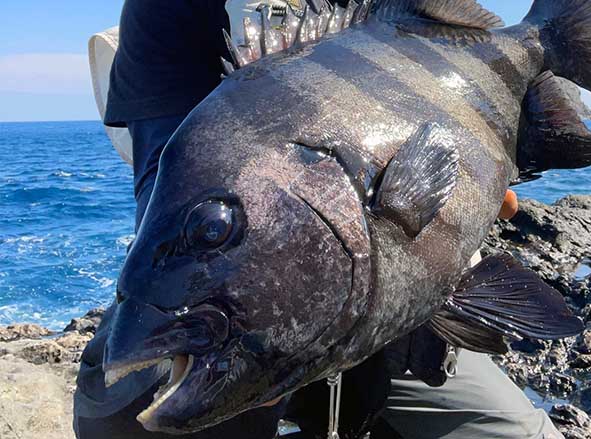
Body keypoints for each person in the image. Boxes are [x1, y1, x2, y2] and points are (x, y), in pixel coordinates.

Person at [74, 1, 562, 438]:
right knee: (122, 423)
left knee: (515, 432)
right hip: (255, 300)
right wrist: (266, 342)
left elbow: (447, 154)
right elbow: (166, 187)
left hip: (415, 297)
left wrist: (485, 179)